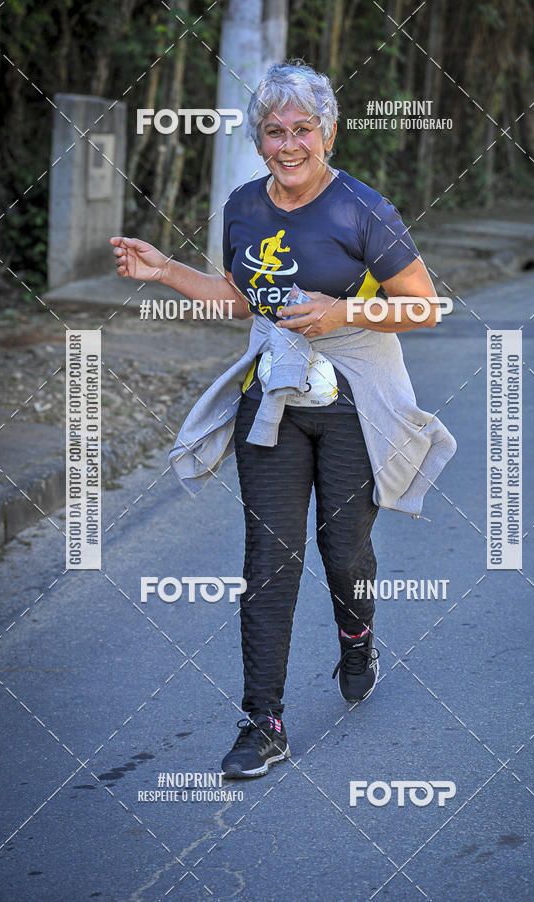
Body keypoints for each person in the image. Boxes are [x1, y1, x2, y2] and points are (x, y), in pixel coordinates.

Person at [110, 60, 456, 780]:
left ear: (327, 132)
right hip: (272, 395)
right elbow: (241, 296)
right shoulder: (244, 205)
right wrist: (166, 271)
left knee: (343, 548)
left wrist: (343, 312)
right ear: (258, 139)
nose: (289, 143)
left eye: (303, 128)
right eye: (274, 131)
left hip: (355, 398)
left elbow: (424, 305)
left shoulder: (363, 210)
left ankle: (356, 633)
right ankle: (262, 721)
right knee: (268, 561)